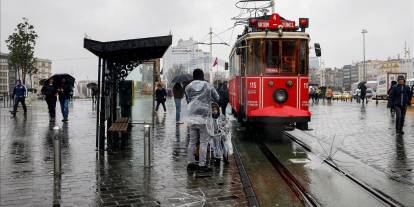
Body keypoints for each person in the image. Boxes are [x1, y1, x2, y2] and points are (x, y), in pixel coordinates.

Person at [185, 69, 219, 173]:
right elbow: (217, 97)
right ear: (202, 75)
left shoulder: (188, 87)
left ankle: (190, 163)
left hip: (191, 117)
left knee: (192, 141)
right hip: (204, 118)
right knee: (204, 142)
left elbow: (188, 100)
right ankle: (202, 165)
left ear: (193, 76)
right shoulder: (208, 85)